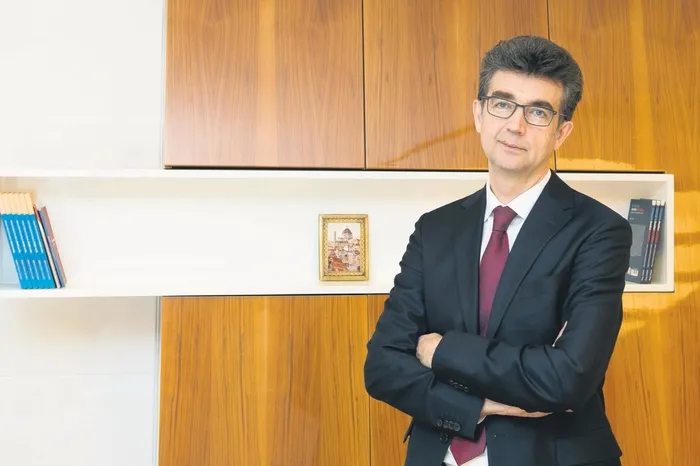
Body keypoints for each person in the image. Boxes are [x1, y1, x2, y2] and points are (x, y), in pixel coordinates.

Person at [363, 35, 632, 466]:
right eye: (502, 104)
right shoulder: (435, 229)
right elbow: (382, 367)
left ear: (562, 132)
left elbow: (569, 378)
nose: (515, 125)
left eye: (538, 112)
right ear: (479, 113)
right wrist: (480, 406)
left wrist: (441, 351)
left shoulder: (599, 231)